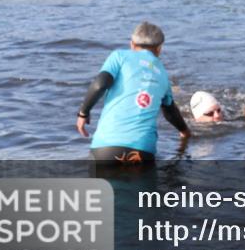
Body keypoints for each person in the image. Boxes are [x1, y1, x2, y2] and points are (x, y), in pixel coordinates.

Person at [76, 22, 190, 162]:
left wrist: (83, 113)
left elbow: (100, 84)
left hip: (105, 147)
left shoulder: (119, 56)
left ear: (132, 44)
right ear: (159, 49)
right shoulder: (163, 74)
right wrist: (185, 132)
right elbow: (170, 110)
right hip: (142, 150)